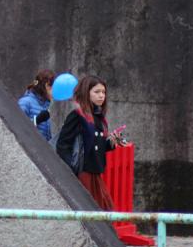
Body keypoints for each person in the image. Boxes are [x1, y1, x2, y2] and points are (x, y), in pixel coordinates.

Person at [55, 75, 119, 210]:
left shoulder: (99, 118)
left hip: (95, 173)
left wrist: (111, 143)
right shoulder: (77, 115)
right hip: (82, 173)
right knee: (92, 214)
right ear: (86, 92)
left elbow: (96, 146)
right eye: (97, 92)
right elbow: (62, 144)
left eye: (103, 92)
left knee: (104, 213)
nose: (101, 96)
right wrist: (72, 170)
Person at [18, 70, 55, 142]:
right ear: (47, 85)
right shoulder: (25, 102)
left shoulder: (45, 105)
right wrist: (36, 120)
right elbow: (18, 128)